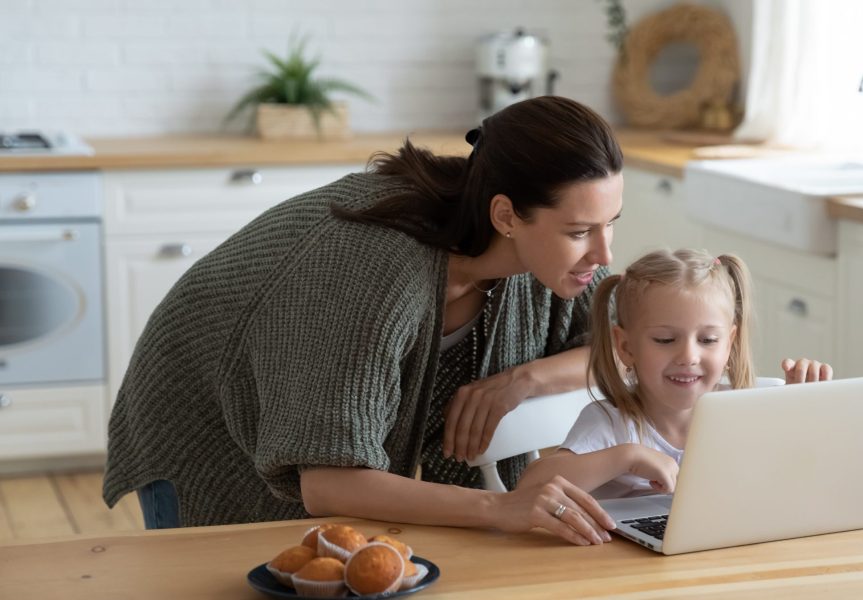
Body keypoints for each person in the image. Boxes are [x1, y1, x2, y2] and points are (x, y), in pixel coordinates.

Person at [103, 96, 621, 546]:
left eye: (610, 225)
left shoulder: (552, 261)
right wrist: (501, 508)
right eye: (579, 231)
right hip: (205, 419)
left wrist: (522, 379)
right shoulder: (372, 270)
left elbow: (628, 344)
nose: (603, 252)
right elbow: (329, 482)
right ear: (506, 216)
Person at [517, 249, 832, 499]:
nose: (688, 356)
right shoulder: (611, 423)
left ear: (729, 345)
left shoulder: (746, 411)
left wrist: (804, 410)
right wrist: (625, 457)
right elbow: (530, 488)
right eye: (665, 340)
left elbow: (805, 481)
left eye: (708, 340)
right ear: (626, 347)